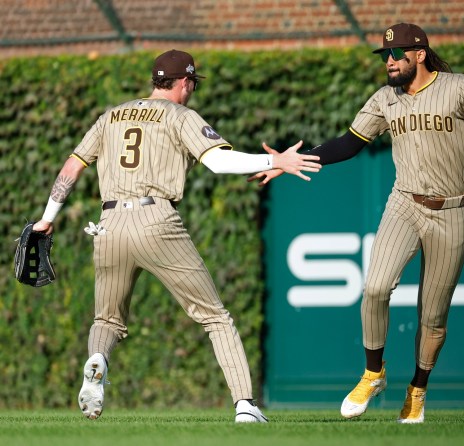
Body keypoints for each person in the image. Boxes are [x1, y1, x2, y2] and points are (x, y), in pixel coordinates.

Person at [249, 23, 464, 423]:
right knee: (374, 288)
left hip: (454, 212)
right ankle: (373, 373)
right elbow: (349, 143)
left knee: (433, 317)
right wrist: (295, 160)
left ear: (420, 54)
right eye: (386, 54)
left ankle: (417, 391)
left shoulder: (459, 88)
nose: (389, 60)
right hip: (404, 204)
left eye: (397, 53)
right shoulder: (385, 99)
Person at [32, 49, 321, 422]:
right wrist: (275, 160)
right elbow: (218, 161)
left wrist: (46, 218)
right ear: (184, 82)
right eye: (192, 85)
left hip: (108, 224)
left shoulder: (111, 115)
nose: (192, 92)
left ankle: (97, 360)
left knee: (106, 321)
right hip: (156, 220)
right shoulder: (179, 114)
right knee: (215, 317)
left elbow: (72, 165)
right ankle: (245, 406)